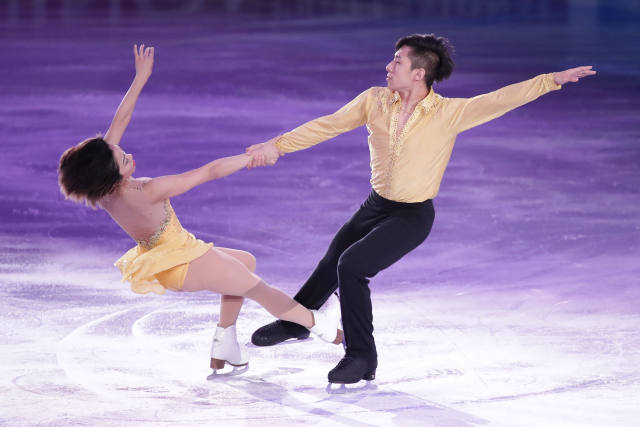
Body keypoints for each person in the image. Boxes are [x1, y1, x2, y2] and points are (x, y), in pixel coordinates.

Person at [247, 33, 596, 384]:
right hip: (375, 205)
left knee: (351, 266)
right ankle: (297, 321)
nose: (388, 66)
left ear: (419, 73)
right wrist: (277, 145)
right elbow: (329, 124)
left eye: (397, 61)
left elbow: (499, 100)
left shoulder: (449, 113)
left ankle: (361, 357)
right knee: (332, 260)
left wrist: (551, 80)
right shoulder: (374, 100)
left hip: (412, 216)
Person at [57, 44, 343, 375]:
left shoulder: (104, 191)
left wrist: (140, 78)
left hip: (168, 260)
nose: (128, 154)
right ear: (112, 174)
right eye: (123, 159)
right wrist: (250, 158)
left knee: (244, 261)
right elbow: (207, 172)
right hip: (186, 261)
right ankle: (322, 326)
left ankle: (225, 342)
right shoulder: (148, 191)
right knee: (259, 289)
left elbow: (119, 122)